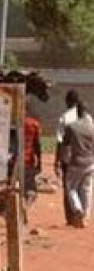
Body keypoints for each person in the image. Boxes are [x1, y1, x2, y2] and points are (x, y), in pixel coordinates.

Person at [60, 97, 94, 228]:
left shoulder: (72, 127)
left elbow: (65, 144)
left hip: (76, 162)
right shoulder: (93, 127)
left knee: (71, 188)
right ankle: (85, 216)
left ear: (77, 112)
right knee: (87, 190)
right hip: (90, 162)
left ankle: (77, 209)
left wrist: (63, 160)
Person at [55, 89, 81, 225]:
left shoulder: (64, 118)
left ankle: (70, 217)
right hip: (83, 156)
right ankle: (81, 211)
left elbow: (60, 141)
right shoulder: (85, 118)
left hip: (68, 156)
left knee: (69, 187)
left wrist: (56, 161)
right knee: (82, 186)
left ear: (67, 101)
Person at [23, 100, 43, 206]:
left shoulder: (10, 122)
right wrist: (39, 162)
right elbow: (37, 145)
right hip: (27, 160)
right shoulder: (34, 124)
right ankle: (25, 206)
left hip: (11, 161)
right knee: (31, 191)